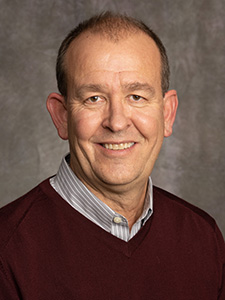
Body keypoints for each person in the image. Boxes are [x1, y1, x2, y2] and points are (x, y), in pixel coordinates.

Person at [0, 12, 224, 299]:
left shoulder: (203, 238)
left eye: (137, 97)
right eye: (94, 98)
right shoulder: (8, 252)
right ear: (61, 116)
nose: (117, 122)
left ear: (167, 114)